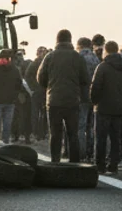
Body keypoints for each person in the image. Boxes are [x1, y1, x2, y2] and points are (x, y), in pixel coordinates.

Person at [37, 30, 88, 163]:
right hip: (72, 101)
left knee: (55, 134)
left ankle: (55, 161)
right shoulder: (77, 57)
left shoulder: (49, 57)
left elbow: (40, 78)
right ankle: (74, 162)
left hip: (54, 101)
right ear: (70, 40)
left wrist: (49, 87)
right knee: (73, 134)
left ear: (57, 40)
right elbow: (85, 79)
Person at [91, 41, 122, 175]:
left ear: (106, 51)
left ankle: (100, 165)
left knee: (101, 138)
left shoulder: (102, 67)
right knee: (116, 138)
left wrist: (95, 101)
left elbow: (95, 86)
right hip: (119, 106)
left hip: (103, 107)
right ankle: (113, 165)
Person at [77, 37, 99, 161]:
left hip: (81, 96)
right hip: (93, 96)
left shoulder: (78, 58)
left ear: (79, 46)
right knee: (91, 126)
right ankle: (91, 152)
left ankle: (81, 153)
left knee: (80, 126)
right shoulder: (96, 58)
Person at [25, 46, 49, 142]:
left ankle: (39, 133)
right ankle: (39, 133)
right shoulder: (37, 64)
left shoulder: (38, 63)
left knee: (40, 113)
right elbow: (27, 76)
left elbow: (27, 76)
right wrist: (34, 88)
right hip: (41, 91)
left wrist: (33, 88)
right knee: (39, 113)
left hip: (42, 91)